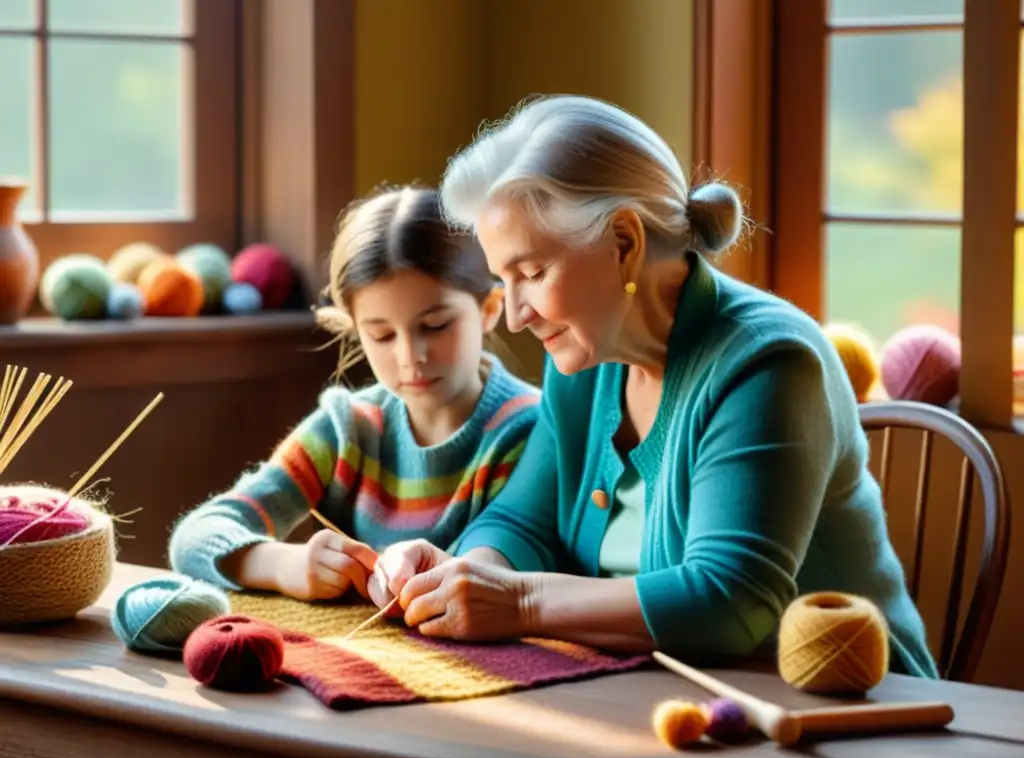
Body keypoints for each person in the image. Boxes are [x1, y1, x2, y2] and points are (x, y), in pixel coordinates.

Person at [364, 96, 939, 679]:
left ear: (624, 243)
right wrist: (464, 573)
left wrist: (518, 602)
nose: (515, 315)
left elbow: (729, 601)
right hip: (657, 694)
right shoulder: (587, 357)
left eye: (533, 274)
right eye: (504, 280)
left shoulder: (769, 363)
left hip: (847, 710)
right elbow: (521, 521)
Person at [168, 185, 541, 602]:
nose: (409, 356)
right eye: (380, 334)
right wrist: (284, 565)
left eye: (435, 326)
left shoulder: (530, 431)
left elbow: (501, 572)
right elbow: (195, 537)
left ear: (490, 309)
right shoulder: (348, 429)